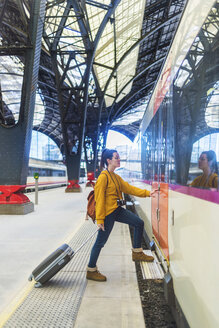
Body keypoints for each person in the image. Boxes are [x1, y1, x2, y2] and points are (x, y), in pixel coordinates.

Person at [86, 148, 157, 282]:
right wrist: (100, 219)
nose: (119, 159)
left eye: (119, 157)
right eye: (116, 157)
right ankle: (91, 270)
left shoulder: (116, 177)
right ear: (108, 160)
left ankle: (137, 252)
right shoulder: (103, 177)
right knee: (100, 242)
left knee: (138, 223)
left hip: (117, 210)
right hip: (107, 214)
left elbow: (129, 189)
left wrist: (148, 193)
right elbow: (99, 199)